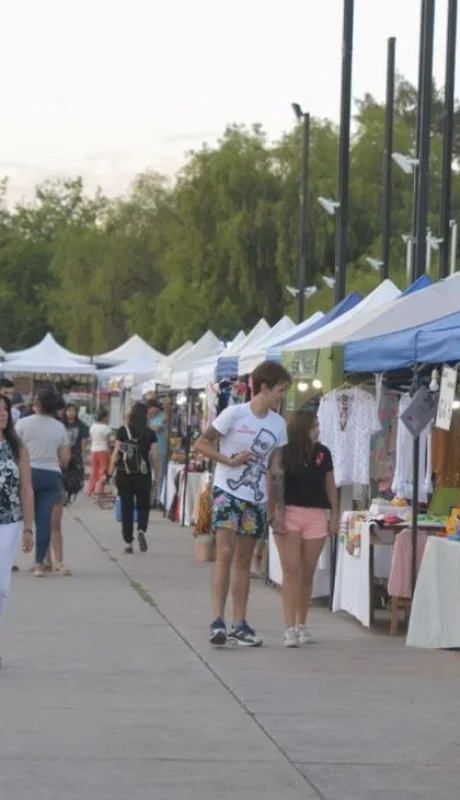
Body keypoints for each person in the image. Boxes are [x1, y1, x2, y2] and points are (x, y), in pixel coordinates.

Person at [194, 360, 290, 648]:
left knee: (245, 560)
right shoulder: (233, 414)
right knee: (224, 551)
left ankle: (240, 622)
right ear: (264, 387)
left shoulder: (278, 424)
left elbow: (276, 469)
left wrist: (277, 508)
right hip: (227, 491)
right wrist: (229, 461)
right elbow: (201, 443)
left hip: (256, 498)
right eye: (280, 390)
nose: (282, 396)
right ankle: (217, 621)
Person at [275, 410, 339, 647]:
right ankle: (289, 627)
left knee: (307, 572)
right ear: (302, 429)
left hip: (316, 515)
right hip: (289, 512)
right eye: (313, 426)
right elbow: (276, 482)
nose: (317, 430)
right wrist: (276, 513)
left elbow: (330, 485)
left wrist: (335, 514)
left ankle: (302, 623)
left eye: (318, 425)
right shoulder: (284, 451)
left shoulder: (324, 453)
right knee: (291, 570)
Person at [16, 390, 71, 577]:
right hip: (51, 475)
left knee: (17, 518)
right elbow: (65, 459)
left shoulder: (22, 424)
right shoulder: (59, 428)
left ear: (38, 403)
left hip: (27, 472)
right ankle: (39, 563)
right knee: (44, 520)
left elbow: (13, 450)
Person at [0, 394, 34, 662]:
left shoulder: (17, 447)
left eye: (4, 409)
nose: (1, 413)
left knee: (1, 586)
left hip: (9, 523)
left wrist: (28, 528)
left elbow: (26, 488)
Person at [105, 402, 159, 554]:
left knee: (126, 508)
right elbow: (155, 456)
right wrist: (157, 475)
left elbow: (115, 453)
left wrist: (109, 473)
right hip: (143, 474)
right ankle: (141, 529)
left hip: (125, 473)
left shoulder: (123, 431)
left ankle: (128, 542)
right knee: (143, 506)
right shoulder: (150, 433)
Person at [147, 398, 167, 506]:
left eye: (152, 408)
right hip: (149, 449)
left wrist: (148, 425)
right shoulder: (149, 419)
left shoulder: (163, 417)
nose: (150, 410)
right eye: (149, 408)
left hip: (160, 449)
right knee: (150, 476)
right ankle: (151, 499)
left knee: (160, 475)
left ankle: (158, 500)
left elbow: (158, 428)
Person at [87, 409, 112, 497]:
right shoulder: (106, 428)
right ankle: (100, 490)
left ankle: (90, 490)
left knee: (93, 471)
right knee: (103, 471)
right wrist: (110, 453)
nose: (108, 419)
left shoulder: (92, 426)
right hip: (103, 450)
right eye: (107, 417)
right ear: (104, 417)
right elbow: (108, 442)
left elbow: (90, 439)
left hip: (94, 450)